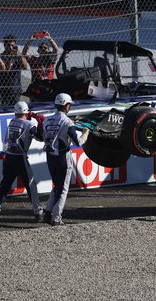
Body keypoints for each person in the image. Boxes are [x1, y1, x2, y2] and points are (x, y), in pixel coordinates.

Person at [0, 101, 44, 224]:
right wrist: (40, 122)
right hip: (20, 158)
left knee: (4, 186)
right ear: (27, 112)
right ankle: (38, 212)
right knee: (31, 185)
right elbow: (41, 138)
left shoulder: (11, 122)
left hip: (8, 156)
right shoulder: (29, 124)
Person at [42, 93, 89, 226]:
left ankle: (48, 212)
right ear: (66, 106)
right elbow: (78, 142)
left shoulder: (47, 120)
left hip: (50, 156)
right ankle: (56, 217)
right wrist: (86, 133)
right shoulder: (67, 122)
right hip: (63, 157)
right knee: (63, 189)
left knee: (56, 186)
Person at [1, 34, 28, 105]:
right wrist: (10, 57)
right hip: (4, 90)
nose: (10, 47)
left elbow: (25, 67)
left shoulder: (18, 56)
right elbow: (7, 70)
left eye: (12, 45)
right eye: (8, 45)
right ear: (4, 46)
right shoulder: (1, 57)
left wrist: (19, 55)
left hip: (16, 89)